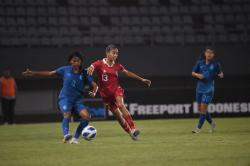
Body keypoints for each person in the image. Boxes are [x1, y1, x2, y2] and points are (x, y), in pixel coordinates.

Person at [22, 52, 98, 144]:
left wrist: (93, 92)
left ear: (81, 62)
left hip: (78, 101)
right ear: (70, 61)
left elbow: (94, 85)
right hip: (65, 98)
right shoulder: (64, 70)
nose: (76, 63)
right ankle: (66, 135)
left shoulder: (85, 73)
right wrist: (33, 73)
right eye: (74, 61)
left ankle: (74, 139)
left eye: (78, 61)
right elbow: (50, 73)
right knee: (67, 114)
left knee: (86, 117)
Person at [87, 44, 151, 140]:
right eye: (113, 53)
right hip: (106, 95)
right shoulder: (100, 63)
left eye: (117, 53)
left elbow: (127, 73)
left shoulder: (118, 66)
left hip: (116, 90)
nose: (115, 55)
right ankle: (131, 134)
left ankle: (133, 129)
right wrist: (91, 67)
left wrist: (142, 79)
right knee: (119, 117)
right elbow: (92, 65)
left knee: (121, 105)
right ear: (107, 53)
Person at [191, 47, 224, 133]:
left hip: (208, 89)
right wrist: (198, 75)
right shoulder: (199, 63)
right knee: (201, 109)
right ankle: (212, 123)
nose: (209, 54)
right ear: (205, 53)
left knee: (203, 109)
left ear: (213, 55)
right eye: (207, 52)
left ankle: (198, 128)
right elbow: (193, 73)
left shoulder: (216, 64)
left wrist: (220, 74)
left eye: (211, 53)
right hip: (199, 89)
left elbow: (220, 73)